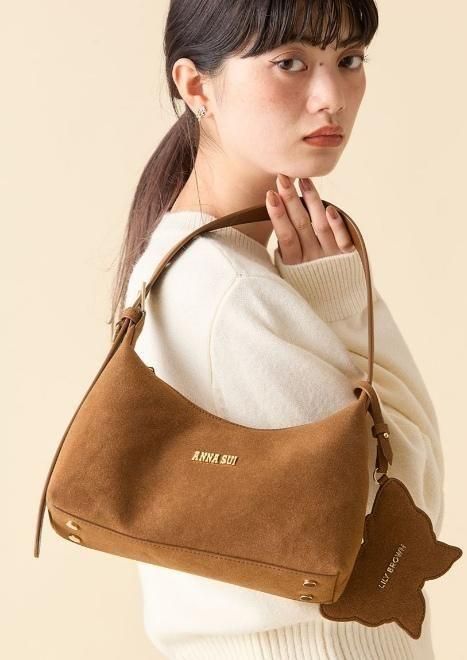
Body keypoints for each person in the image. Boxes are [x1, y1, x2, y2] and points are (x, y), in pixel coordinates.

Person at [110, 1, 444, 658]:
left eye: (348, 60)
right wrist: (342, 307)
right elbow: (406, 506)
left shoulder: (213, 266)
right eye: (289, 62)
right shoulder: (226, 287)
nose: (331, 97)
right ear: (196, 85)